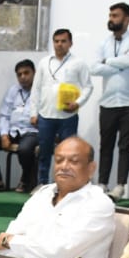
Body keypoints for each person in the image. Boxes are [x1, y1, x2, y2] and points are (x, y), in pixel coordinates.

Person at [0, 136, 116, 258]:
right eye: (59, 160)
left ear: (91, 168)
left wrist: (12, 242)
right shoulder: (41, 195)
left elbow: (60, 253)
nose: (64, 166)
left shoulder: (98, 204)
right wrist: (51, 257)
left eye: (74, 161)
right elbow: (2, 248)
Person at [95, 2, 129, 199]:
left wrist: (106, 62)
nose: (111, 19)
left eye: (115, 15)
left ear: (127, 19)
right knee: (105, 145)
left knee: (125, 146)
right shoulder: (104, 43)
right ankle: (102, 183)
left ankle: (120, 185)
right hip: (107, 102)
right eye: (110, 15)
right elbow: (93, 68)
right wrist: (118, 64)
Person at [29, 29, 90, 187]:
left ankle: (66, 185)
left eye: (63, 41)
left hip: (68, 117)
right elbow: (36, 89)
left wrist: (78, 103)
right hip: (45, 115)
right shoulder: (44, 62)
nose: (59, 44)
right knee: (44, 153)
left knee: (69, 154)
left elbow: (88, 87)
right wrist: (33, 113)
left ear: (70, 43)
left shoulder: (78, 63)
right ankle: (42, 185)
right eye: (56, 41)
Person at [0, 58, 37, 192]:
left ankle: (26, 180)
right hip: (13, 131)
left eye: (26, 73)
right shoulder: (13, 91)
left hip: (32, 131)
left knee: (25, 149)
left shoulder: (41, 91)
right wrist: (4, 135)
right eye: (19, 74)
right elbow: (4, 115)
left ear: (34, 73)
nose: (23, 77)